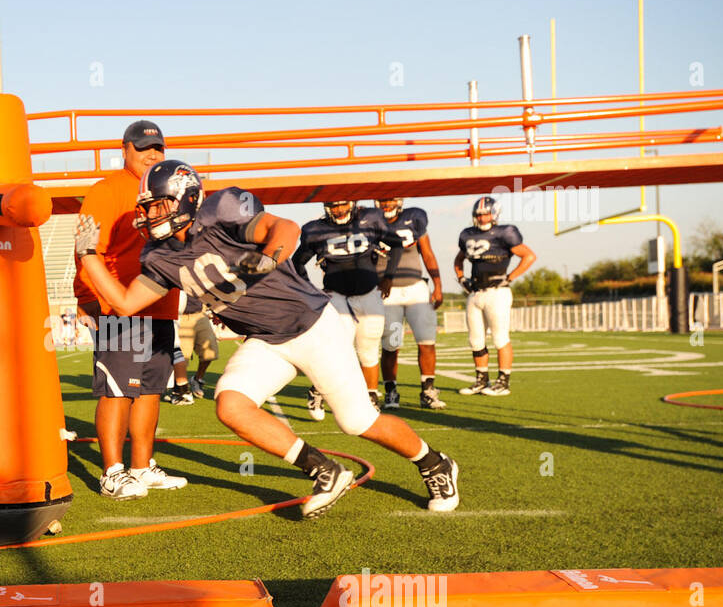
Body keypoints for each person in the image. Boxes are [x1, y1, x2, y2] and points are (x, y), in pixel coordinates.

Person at [76, 160, 459, 516]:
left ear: (186, 198)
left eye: (157, 206)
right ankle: (323, 469)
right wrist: (89, 255)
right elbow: (126, 303)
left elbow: (285, 228)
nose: (148, 216)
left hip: (311, 324)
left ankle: (434, 463)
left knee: (357, 420)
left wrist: (267, 259)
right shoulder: (158, 255)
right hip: (264, 339)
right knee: (230, 405)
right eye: (146, 208)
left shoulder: (221, 208)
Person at [72, 120, 187, 500]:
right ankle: (112, 472)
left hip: (161, 305)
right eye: (143, 148)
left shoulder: (170, 189)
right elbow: (88, 249)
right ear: (124, 149)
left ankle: (141, 466)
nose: (152, 155)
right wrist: (89, 300)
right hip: (119, 307)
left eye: (158, 149)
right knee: (119, 390)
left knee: (152, 388)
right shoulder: (107, 190)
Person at [292, 199, 398, 418]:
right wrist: (310, 291)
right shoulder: (315, 230)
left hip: (369, 293)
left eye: (342, 204)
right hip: (336, 295)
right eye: (333, 206)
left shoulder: (371, 218)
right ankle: (318, 391)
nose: (338, 210)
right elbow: (297, 262)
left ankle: (370, 396)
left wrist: (388, 277)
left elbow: (396, 243)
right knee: (336, 349)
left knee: (368, 350)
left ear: (352, 203)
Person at [454, 195, 537, 396]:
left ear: (494, 214)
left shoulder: (505, 232)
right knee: (476, 340)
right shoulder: (467, 234)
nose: (482, 218)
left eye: (486, 214)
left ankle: (503, 382)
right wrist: (461, 278)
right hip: (475, 293)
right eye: (479, 214)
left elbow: (529, 255)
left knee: (500, 337)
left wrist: (510, 277)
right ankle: (481, 380)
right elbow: (459, 260)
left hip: (497, 292)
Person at [375, 198, 446, 409]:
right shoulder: (372, 222)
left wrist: (438, 285)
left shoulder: (413, 219)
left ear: (399, 201)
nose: (386, 205)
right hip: (389, 295)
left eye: (390, 200)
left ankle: (428, 390)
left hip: (416, 291)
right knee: (392, 344)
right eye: (382, 201)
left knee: (426, 341)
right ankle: (391, 392)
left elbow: (428, 254)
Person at [177, 292, 218, 398]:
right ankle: (180, 390)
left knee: (210, 352)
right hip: (181, 316)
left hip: (200, 313)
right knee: (182, 358)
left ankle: (197, 379)